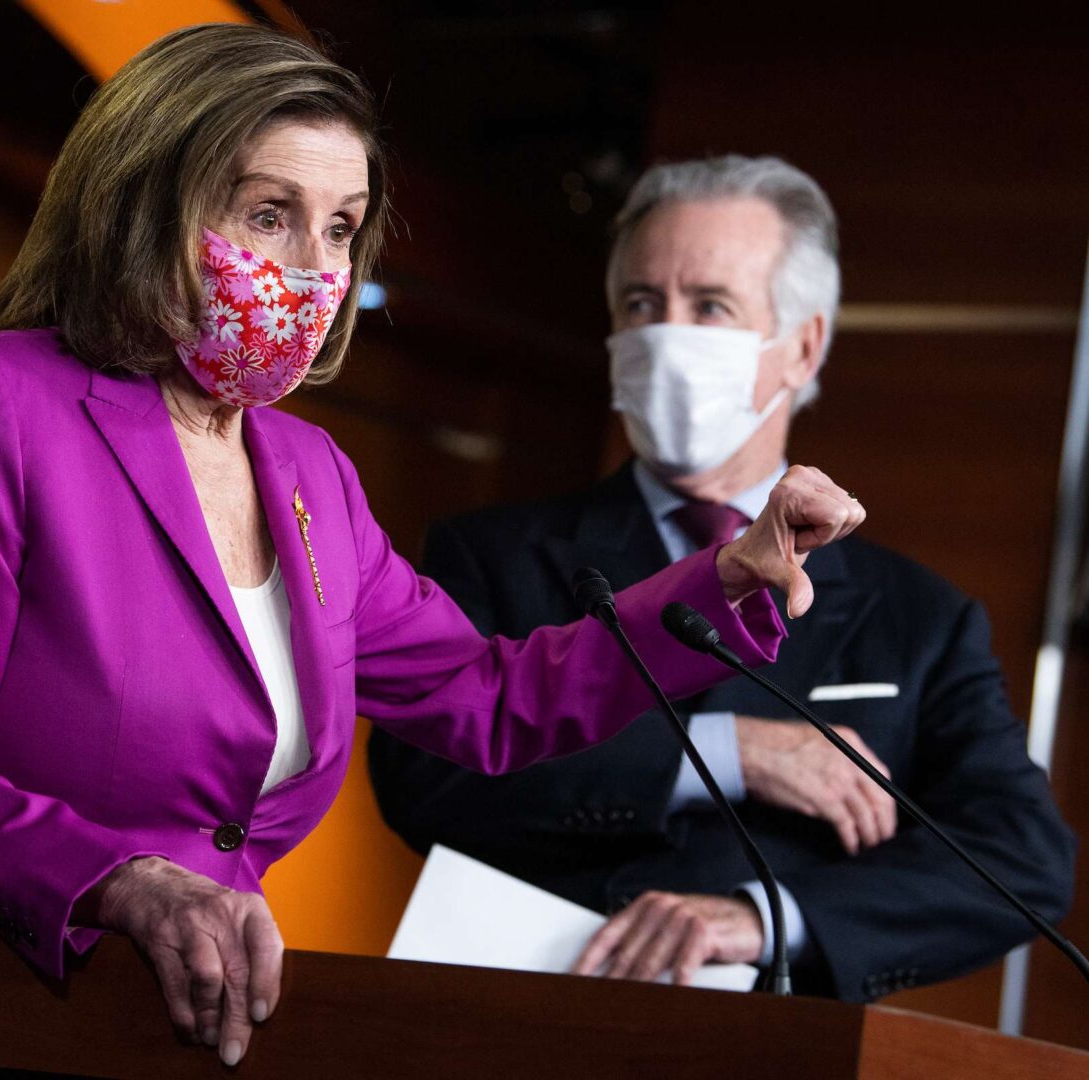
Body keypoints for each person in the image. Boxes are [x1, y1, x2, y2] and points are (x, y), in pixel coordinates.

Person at [0, 33, 863, 1076]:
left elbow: (490, 698)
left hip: (148, 1037)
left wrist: (725, 580)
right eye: (269, 214)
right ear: (152, 207)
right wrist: (121, 879)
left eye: (339, 226)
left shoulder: (311, 473)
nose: (313, 268)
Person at [368, 155, 1076, 1001]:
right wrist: (727, 753)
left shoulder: (918, 615)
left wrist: (766, 915)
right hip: (520, 1015)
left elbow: (1019, 857)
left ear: (802, 346)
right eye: (640, 305)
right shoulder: (492, 554)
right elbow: (423, 780)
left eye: (709, 306)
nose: (666, 337)